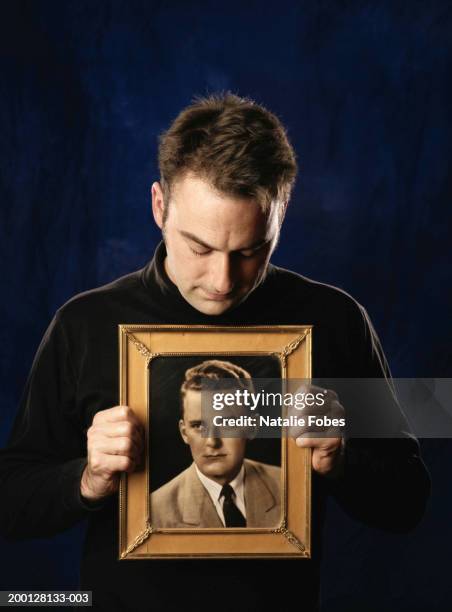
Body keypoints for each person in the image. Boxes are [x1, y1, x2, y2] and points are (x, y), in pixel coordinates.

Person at [0, 94, 430, 611]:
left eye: (250, 251)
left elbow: (409, 502)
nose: (223, 282)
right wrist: (85, 480)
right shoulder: (84, 324)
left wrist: (342, 461)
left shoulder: (335, 321)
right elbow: (11, 504)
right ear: (159, 206)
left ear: (281, 213)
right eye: (199, 248)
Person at [150, 360, 281, 528]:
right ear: (184, 433)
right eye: (199, 426)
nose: (212, 441)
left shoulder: (290, 487)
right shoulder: (154, 512)